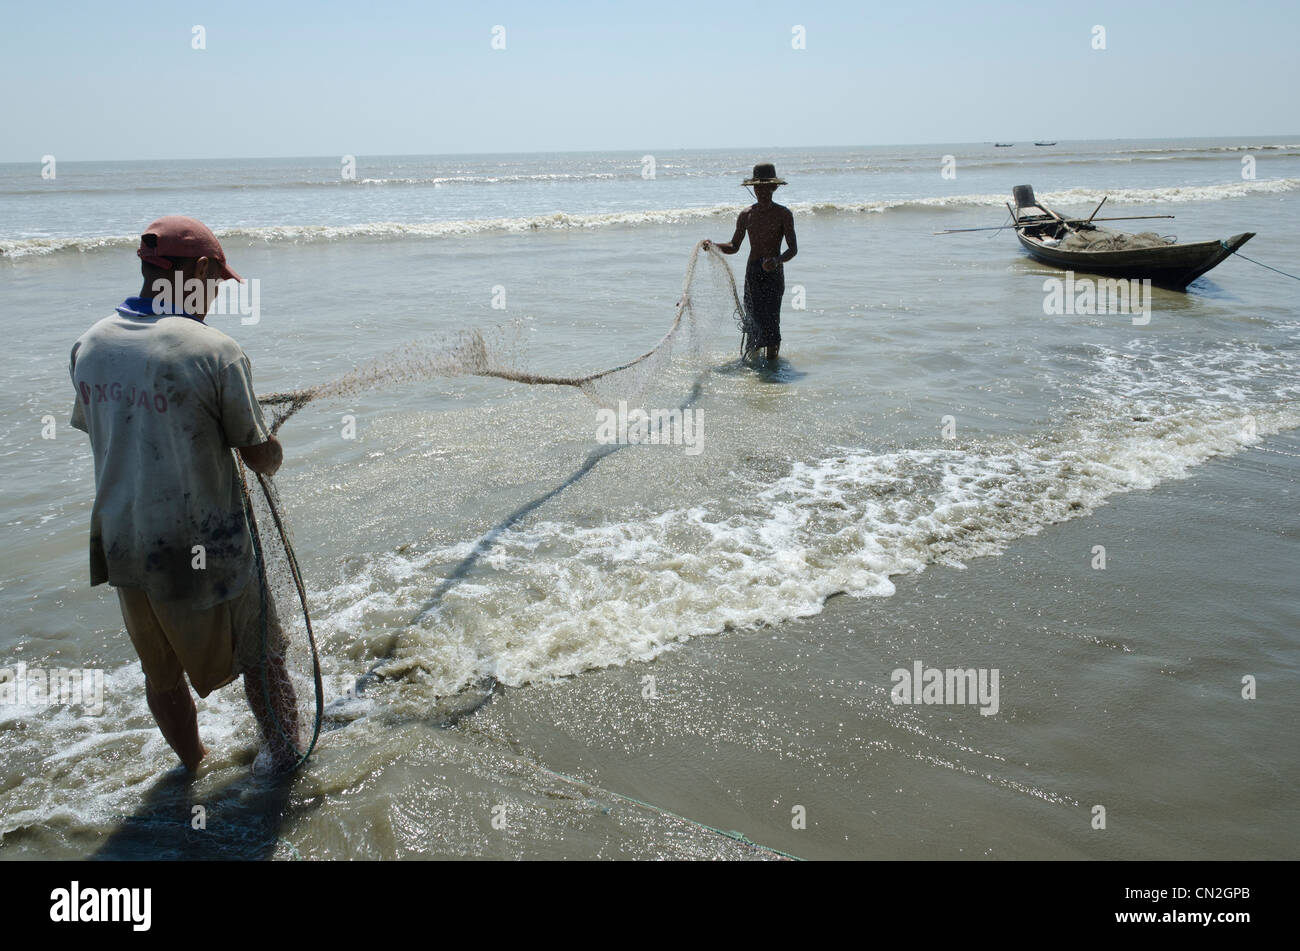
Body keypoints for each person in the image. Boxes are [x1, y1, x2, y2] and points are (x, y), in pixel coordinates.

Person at [68, 215, 300, 774]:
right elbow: (258, 458)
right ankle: (287, 768)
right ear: (196, 271)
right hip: (206, 545)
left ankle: (193, 766)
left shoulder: (90, 345)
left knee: (160, 671)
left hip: (123, 543)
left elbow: (120, 426)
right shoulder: (215, 351)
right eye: (216, 283)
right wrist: (272, 445)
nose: (216, 296)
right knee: (264, 657)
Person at [704, 162, 798, 361]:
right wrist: (714, 246)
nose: (761, 191)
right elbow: (734, 246)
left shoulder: (784, 214)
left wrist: (777, 260)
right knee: (752, 321)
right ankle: (753, 366)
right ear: (753, 188)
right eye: (757, 187)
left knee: (772, 322)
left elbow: (792, 249)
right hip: (753, 273)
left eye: (766, 187)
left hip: (774, 273)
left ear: (774, 187)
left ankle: (772, 368)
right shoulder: (746, 215)